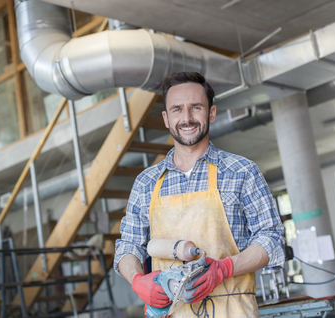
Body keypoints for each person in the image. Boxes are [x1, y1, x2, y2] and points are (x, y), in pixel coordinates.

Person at [114, 71, 285, 317]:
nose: (186, 118)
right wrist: (138, 280)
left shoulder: (242, 171)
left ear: (211, 113)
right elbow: (128, 246)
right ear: (166, 118)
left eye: (196, 108)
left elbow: (271, 236)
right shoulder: (146, 183)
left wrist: (225, 268)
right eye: (177, 109)